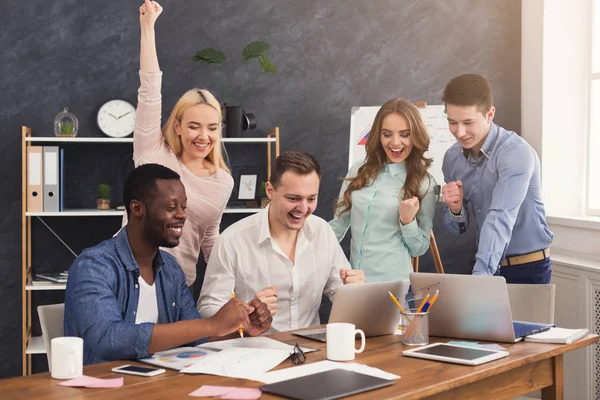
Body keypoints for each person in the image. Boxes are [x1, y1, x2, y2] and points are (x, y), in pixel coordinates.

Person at [64, 164, 271, 365]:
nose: (182, 215)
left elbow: (196, 337)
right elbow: (108, 339)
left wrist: (242, 329)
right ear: (137, 208)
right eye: (171, 207)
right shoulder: (93, 266)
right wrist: (211, 324)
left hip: (160, 385)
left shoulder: (170, 268)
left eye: (183, 207)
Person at [125, 0, 233, 287]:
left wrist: (230, 289)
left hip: (177, 286)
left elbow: (209, 237)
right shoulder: (153, 153)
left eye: (212, 128)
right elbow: (149, 90)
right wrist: (147, 28)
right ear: (178, 126)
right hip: (128, 276)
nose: (203, 136)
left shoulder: (223, 181)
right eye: (194, 126)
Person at [197, 151, 365, 332]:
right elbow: (207, 310)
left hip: (313, 351)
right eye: (293, 198)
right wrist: (247, 312)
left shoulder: (322, 232)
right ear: (270, 190)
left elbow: (339, 292)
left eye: (311, 199)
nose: (303, 208)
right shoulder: (231, 241)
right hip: (255, 353)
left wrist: (353, 291)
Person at [441, 73, 553, 283]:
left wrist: (480, 279)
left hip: (528, 268)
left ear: (490, 114)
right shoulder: (452, 159)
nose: (460, 132)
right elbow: (458, 229)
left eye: (468, 122)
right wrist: (455, 209)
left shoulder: (515, 153)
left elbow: (499, 218)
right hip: (486, 263)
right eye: (452, 122)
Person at [329, 99, 437, 282]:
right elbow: (338, 225)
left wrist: (407, 221)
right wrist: (306, 247)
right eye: (387, 134)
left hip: (393, 283)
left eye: (405, 134)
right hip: (354, 279)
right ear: (378, 135)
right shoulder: (359, 170)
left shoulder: (424, 183)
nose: (395, 142)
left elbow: (420, 248)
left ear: (416, 135)